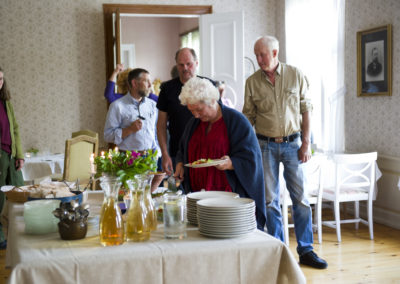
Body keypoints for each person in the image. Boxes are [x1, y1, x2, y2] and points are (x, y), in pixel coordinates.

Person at [243, 36, 328, 269]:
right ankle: (279, 251)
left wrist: (306, 143)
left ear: (275, 52)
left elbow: (306, 110)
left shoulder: (295, 74)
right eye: (256, 54)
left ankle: (306, 250)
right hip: (264, 146)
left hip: (293, 144)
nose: (259, 59)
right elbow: (248, 117)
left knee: (300, 199)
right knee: (270, 200)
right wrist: (243, 146)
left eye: (262, 54)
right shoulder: (251, 82)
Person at [174, 77, 266, 230]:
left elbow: (251, 158)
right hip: (199, 197)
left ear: (211, 101)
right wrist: (179, 164)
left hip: (227, 199)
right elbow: (182, 149)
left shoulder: (237, 121)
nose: (195, 115)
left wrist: (231, 163)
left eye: (199, 110)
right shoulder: (194, 123)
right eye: (192, 111)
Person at [157, 48, 215, 175]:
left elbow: (217, 118)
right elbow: (161, 125)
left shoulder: (208, 85)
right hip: (178, 152)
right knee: (181, 191)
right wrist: (164, 154)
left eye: (189, 64)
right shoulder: (167, 89)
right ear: (176, 65)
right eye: (181, 64)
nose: (185, 68)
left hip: (206, 151)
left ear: (196, 63)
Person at [104, 68, 158, 154]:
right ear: (134, 83)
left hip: (151, 158)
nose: (150, 85)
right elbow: (108, 136)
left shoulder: (153, 105)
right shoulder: (117, 106)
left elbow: (154, 132)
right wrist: (129, 129)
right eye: (146, 81)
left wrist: (158, 154)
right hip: (128, 160)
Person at [0, 67, 25, 249]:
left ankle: (18, 233)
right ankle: (1, 237)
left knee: (18, 192)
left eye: (1, 79)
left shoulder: (5, 102)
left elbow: (14, 128)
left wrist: (19, 155)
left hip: (10, 154)